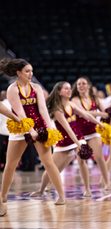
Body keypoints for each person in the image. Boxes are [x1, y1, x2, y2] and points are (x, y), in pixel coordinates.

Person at [0, 58, 65, 217]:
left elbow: (43, 110)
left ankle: (62, 196)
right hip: (21, 126)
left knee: (49, 162)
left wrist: (49, 128)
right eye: (27, 71)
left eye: (32, 71)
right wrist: (31, 131)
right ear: (18, 73)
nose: (30, 74)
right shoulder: (12, 89)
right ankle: (3, 197)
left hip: (39, 125)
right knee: (11, 164)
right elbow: (20, 113)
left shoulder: (36, 88)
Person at [30, 81, 104, 197]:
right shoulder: (57, 109)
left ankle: (88, 189)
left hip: (78, 137)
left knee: (82, 161)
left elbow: (86, 115)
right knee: (52, 168)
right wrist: (78, 144)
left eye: (70, 88)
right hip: (65, 141)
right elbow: (68, 129)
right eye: (66, 89)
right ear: (59, 92)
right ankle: (41, 190)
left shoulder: (71, 104)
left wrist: (99, 123)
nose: (69, 90)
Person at [71, 76, 111, 191]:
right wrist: (98, 114)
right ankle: (87, 188)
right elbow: (82, 113)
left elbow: (105, 113)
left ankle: (107, 183)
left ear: (88, 85)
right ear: (76, 87)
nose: (81, 86)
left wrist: (110, 120)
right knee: (81, 160)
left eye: (83, 83)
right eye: (79, 84)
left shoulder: (95, 99)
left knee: (99, 157)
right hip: (79, 134)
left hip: (93, 131)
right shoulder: (75, 100)